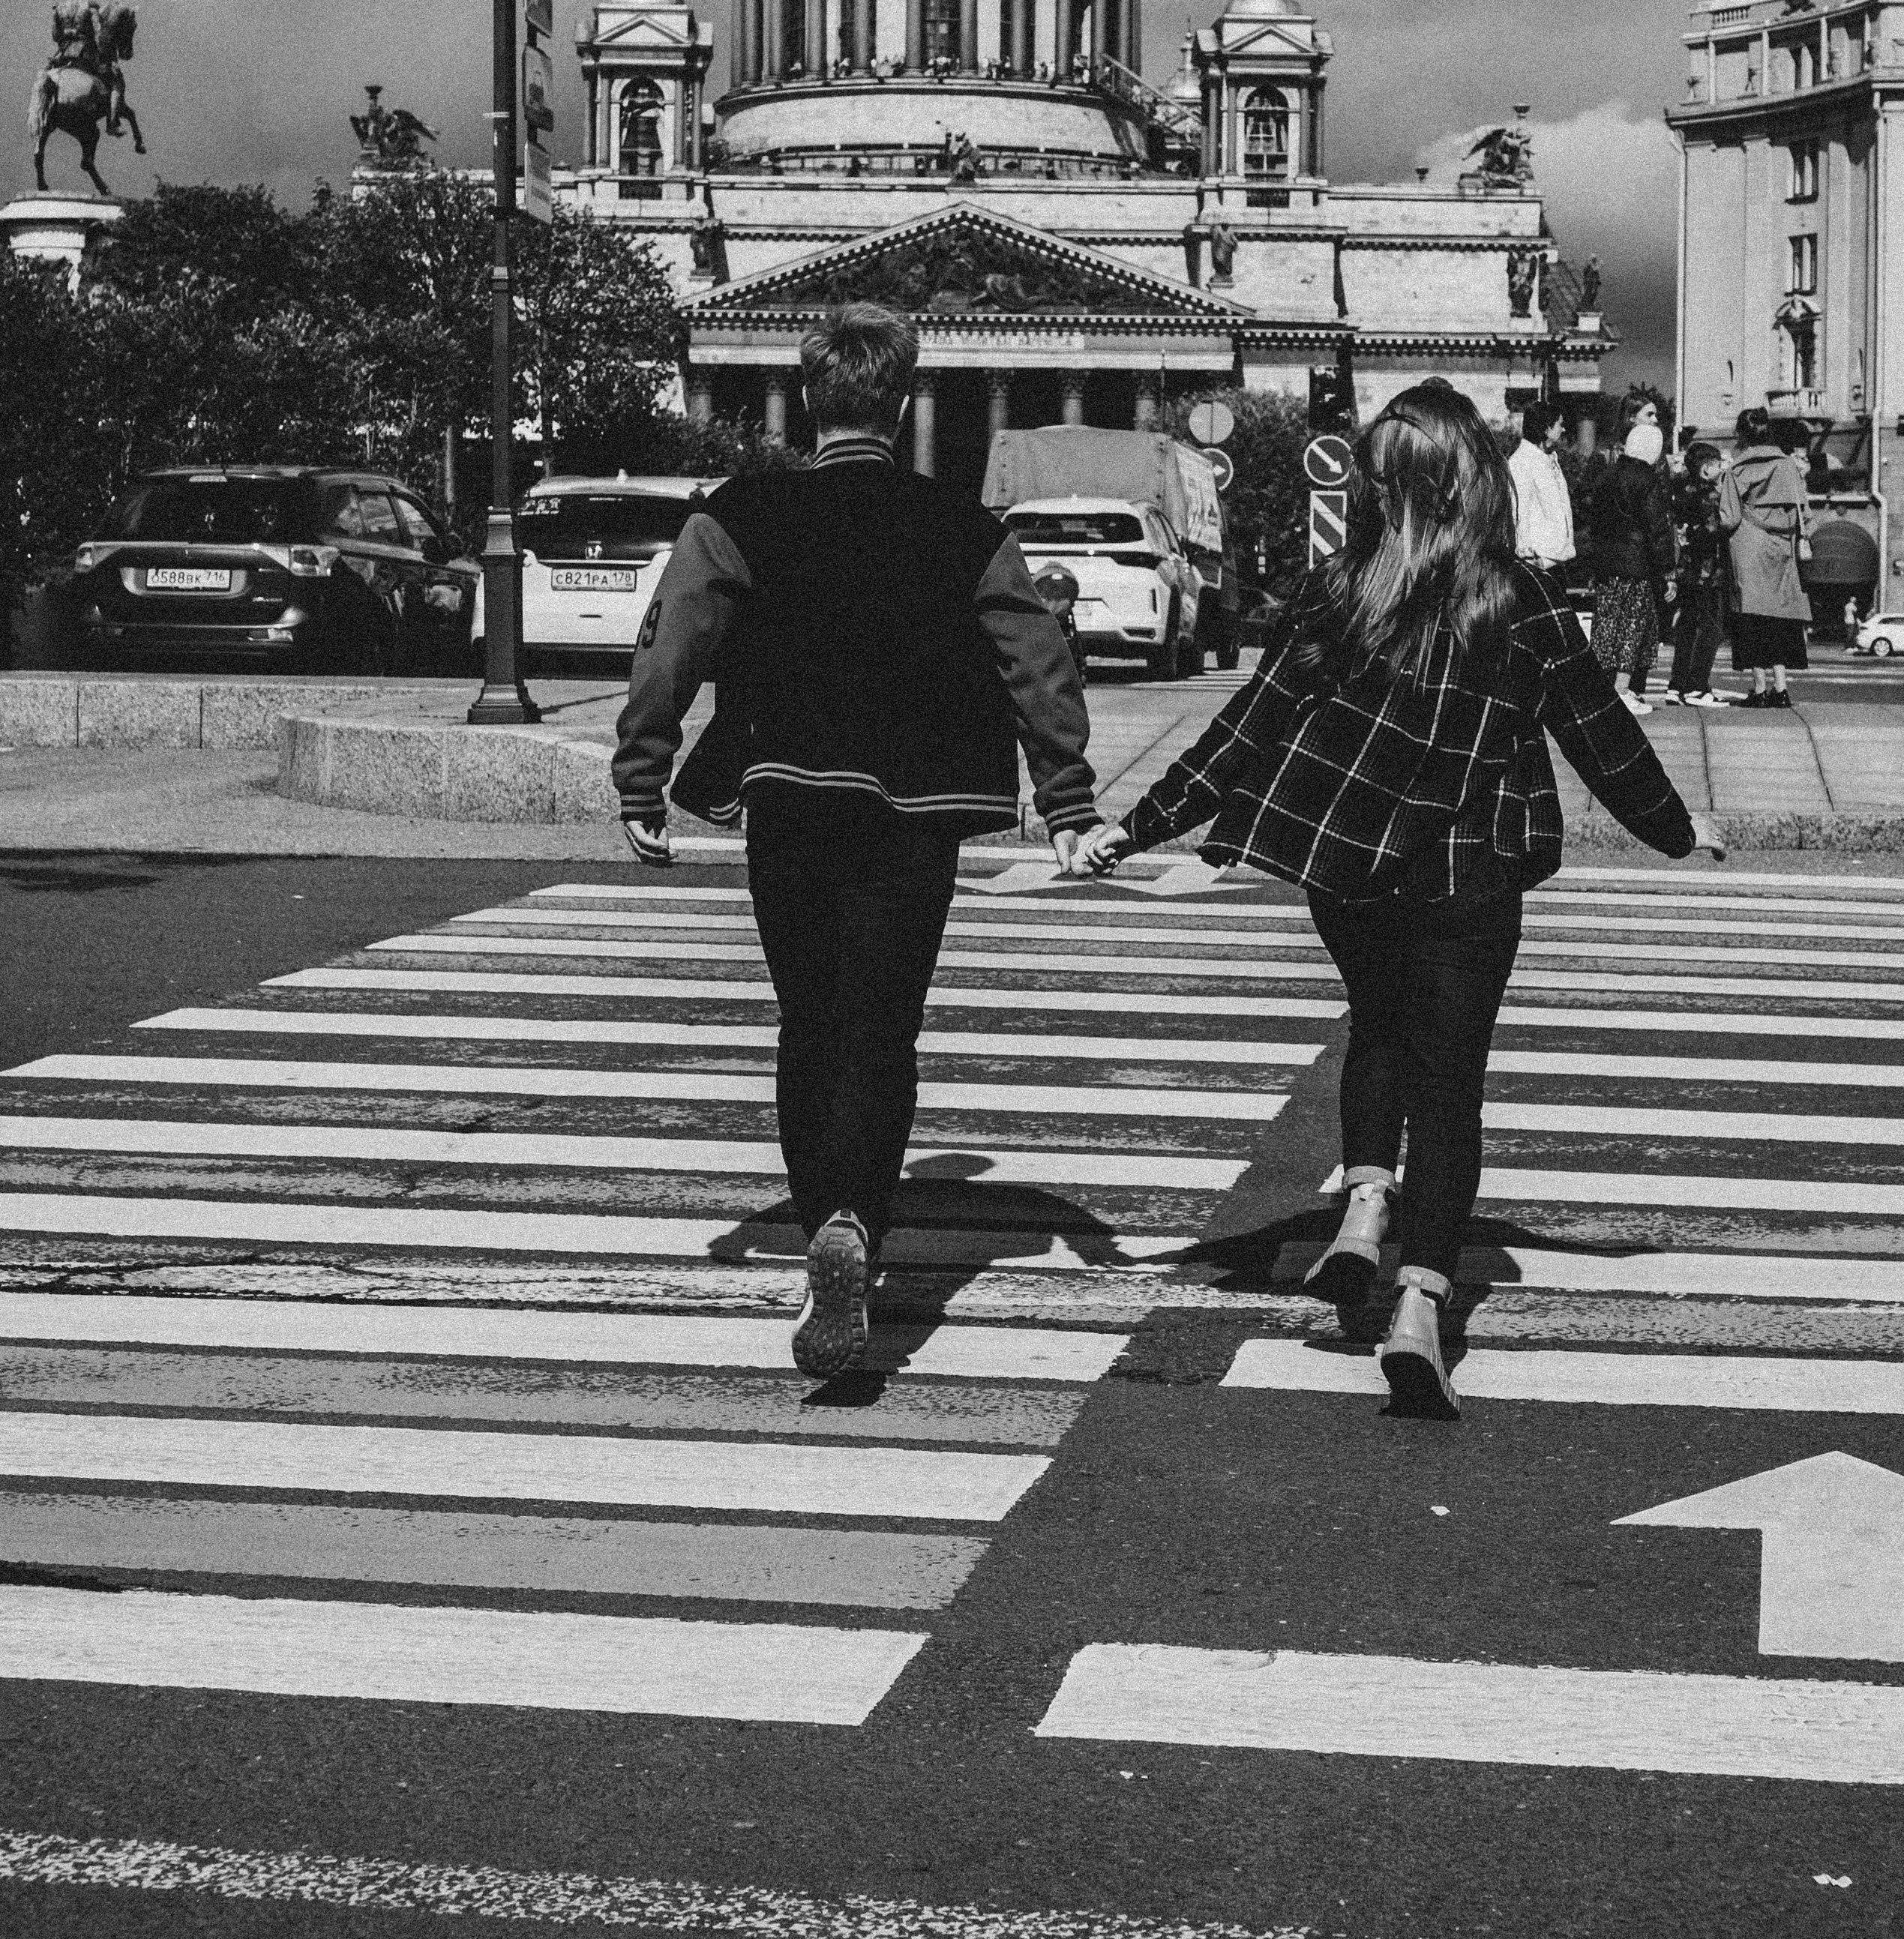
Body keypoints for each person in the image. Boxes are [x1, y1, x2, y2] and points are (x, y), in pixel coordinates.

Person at [1072, 378, 1717, 1419]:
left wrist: (1136, 825)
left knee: (1375, 1029)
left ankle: (1363, 1206)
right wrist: (1680, 833)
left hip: (1352, 871)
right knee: (1451, 1078)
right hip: (1471, 871)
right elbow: (1602, 734)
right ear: (1476, 481)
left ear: (1383, 486)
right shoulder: (1521, 599)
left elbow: (1250, 725)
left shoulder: (1342, 588)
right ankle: (1420, 1310)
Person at [610, 301, 1099, 1380]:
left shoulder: (741, 512)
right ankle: (859, 1229)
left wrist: (642, 772)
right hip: (917, 810)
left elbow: (672, 642)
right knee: (882, 1027)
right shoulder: (966, 529)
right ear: (905, 398)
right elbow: (1037, 664)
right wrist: (1065, 801)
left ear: (807, 392)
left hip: (786, 790)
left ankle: (821, 1212)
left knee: (809, 1020)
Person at [1721, 405, 1811, 709]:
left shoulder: (1738, 470)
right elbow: (1804, 513)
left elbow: (1729, 518)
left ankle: (1759, 689)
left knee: (1752, 618)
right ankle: (1781, 688)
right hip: (1782, 546)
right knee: (1780, 618)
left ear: (1742, 435)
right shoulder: (1788, 466)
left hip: (1748, 544)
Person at [1587, 418, 1675, 715]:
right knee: (1632, 628)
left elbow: (1594, 524)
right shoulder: (1648, 481)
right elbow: (1657, 530)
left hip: (1605, 563)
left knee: (1607, 626)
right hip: (1637, 565)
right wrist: (1668, 572)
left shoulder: (1606, 477)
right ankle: (1622, 690)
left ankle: (1600, 690)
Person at [1664, 438, 1730, 707]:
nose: (1722, 470)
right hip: (1707, 572)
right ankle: (1697, 686)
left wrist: (1687, 533)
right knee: (1711, 628)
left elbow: (1681, 528)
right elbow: (1714, 531)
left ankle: (1676, 685)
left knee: (1687, 627)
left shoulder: (1682, 491)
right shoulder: (1711, 495)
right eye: (1718, 465)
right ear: (1705, 469)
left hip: (1686, 571)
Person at [1507, 403, 1576, 574]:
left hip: (1555, 562)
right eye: (1560, 424)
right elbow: (1517, 511)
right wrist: (1528, 557)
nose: (1563, 429)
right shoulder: (1521, 462)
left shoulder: (1546, 459)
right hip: (1535, 566)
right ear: (1546, 428)